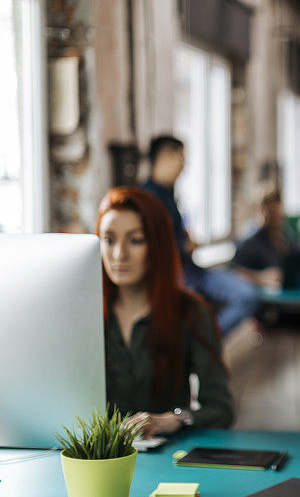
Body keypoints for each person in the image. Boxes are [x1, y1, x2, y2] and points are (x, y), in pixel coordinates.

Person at [96, 186, 234, 437]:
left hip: (167, 455)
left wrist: (174, 419)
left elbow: (221, 409)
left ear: (157, 245)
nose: (119, 255)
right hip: (95, 460)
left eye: (135, 240)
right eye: (109, 239)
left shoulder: (190, 312)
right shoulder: (86, 315)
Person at [141, 135, 261, 334]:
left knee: (246, 295)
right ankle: (202, 344)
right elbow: (153, 248)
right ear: (166, 157)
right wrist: (182, 247)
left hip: (193, 271)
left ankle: (207, 342)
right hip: (176, 278)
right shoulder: (148, 199)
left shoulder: (169, 194)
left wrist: (187, 240)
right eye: (182, 158)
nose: (184, 166)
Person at [233, 189, 296, 287]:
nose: (276, 218)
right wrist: (261, 278)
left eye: (278, 214)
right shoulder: (250, 243)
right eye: (272, 214)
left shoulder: (287, 239)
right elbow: (235, 273)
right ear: (262, 211)